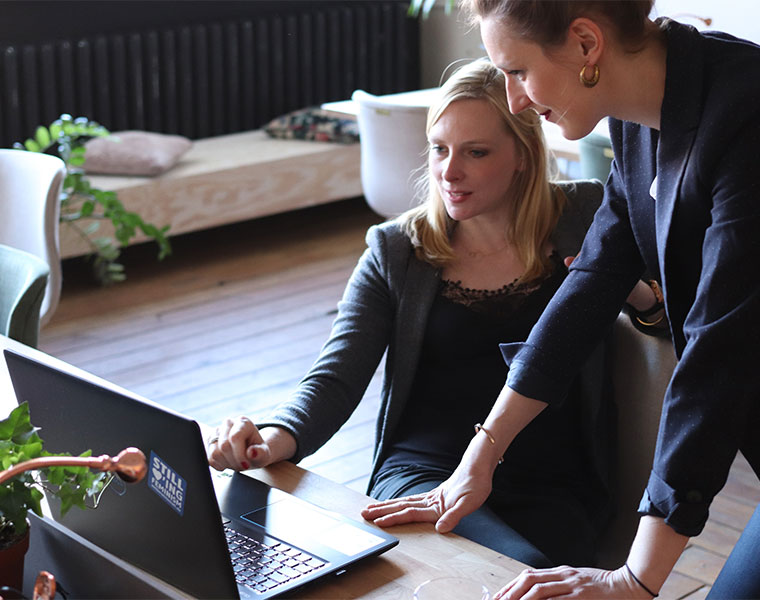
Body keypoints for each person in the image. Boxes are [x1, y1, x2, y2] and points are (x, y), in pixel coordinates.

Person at [362, 1, 760, 598]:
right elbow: (593, 280)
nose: (514, 99)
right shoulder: (639, 117)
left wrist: (637, 579)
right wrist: (482, 453)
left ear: (584, 43)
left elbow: (718, 354)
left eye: (517, 71)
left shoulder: (746, 112)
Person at [206, 59, 660, 568]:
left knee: (521, 570)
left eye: (476, 152)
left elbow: (668, 323)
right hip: (424, 473)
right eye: (440, 149)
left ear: (523, 157)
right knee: (505, 569)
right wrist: (269, 441)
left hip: (553, 481)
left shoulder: (586, 216)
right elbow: (335, 377)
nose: (449, 171)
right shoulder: (397, 250)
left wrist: (634, 293)